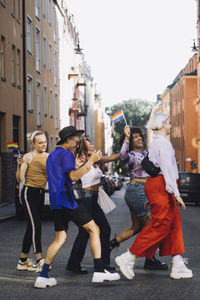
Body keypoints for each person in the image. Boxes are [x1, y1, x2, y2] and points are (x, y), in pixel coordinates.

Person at [34, 126, 120, 288]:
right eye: (76, 139)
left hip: (56, 202)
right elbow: (73, 177)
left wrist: (84, 163)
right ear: (68, 140)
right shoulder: (66, 154)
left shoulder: (52, 155)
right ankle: (99, 271)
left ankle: (43, 275)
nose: (77, 142)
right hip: (67, 199)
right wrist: (91, 161)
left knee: (59, 239)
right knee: (94, 229)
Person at [115, 113, 193, 280]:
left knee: (174, 225)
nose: (171, 125)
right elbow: (167, 169)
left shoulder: (157, 143)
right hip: (161, 184)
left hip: (158, 185)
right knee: (160, 224)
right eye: (169, 122)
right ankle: (129, 257)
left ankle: (178, 263)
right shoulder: (162, 144)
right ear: (163, 124)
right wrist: (176, 192)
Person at [109, 125, 167, 270]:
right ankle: (149, 259)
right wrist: (127, 137)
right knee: (151, 225)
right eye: (135, 137)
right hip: (138, 190)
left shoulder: (144, 153)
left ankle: (109, 245)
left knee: (136, 227)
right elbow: (122, 156)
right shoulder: (130, 155)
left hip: (141, 190)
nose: (139, 138)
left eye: (139, 135)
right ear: (129, 141)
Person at [66, 137, 120, 274]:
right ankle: (74, 264)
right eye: (88, 144)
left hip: (94, 198)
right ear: (82, 146)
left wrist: (126, 141)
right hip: (85, 197)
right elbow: (74, 175)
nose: (91, 146)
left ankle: (103, 263)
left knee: (105, 229)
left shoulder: (96, 159)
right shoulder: (80, 158)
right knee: (85, 232)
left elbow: (115, 156)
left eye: (92, 144)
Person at [16, 131, 48, 272]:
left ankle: (23, 261)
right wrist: (19, 165)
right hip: (29, 193)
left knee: (31, 227)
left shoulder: (49, 157)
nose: (43, 144)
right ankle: (40, 259)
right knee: (37, 225)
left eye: (45, 141)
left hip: (40, 193)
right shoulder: (28, 156)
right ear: (33, 143)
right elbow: (20, 179)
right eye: (40, 142)